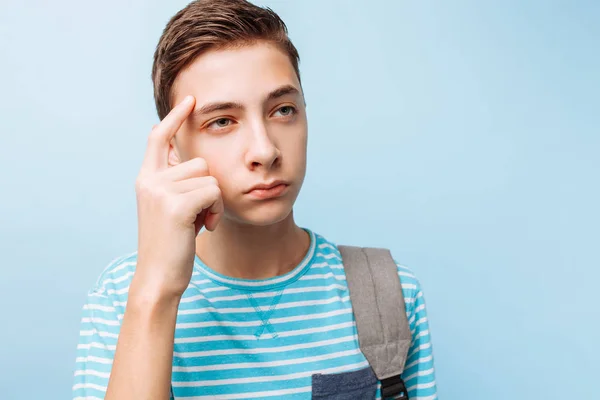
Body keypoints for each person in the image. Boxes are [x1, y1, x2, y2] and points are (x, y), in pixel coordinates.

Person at [72, 1, 438, 399]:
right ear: (172, 148)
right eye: (222, 121)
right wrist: (157, 293)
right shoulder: (124, 296)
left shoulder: (389, 293)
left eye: (283, 110)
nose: (264, 151)